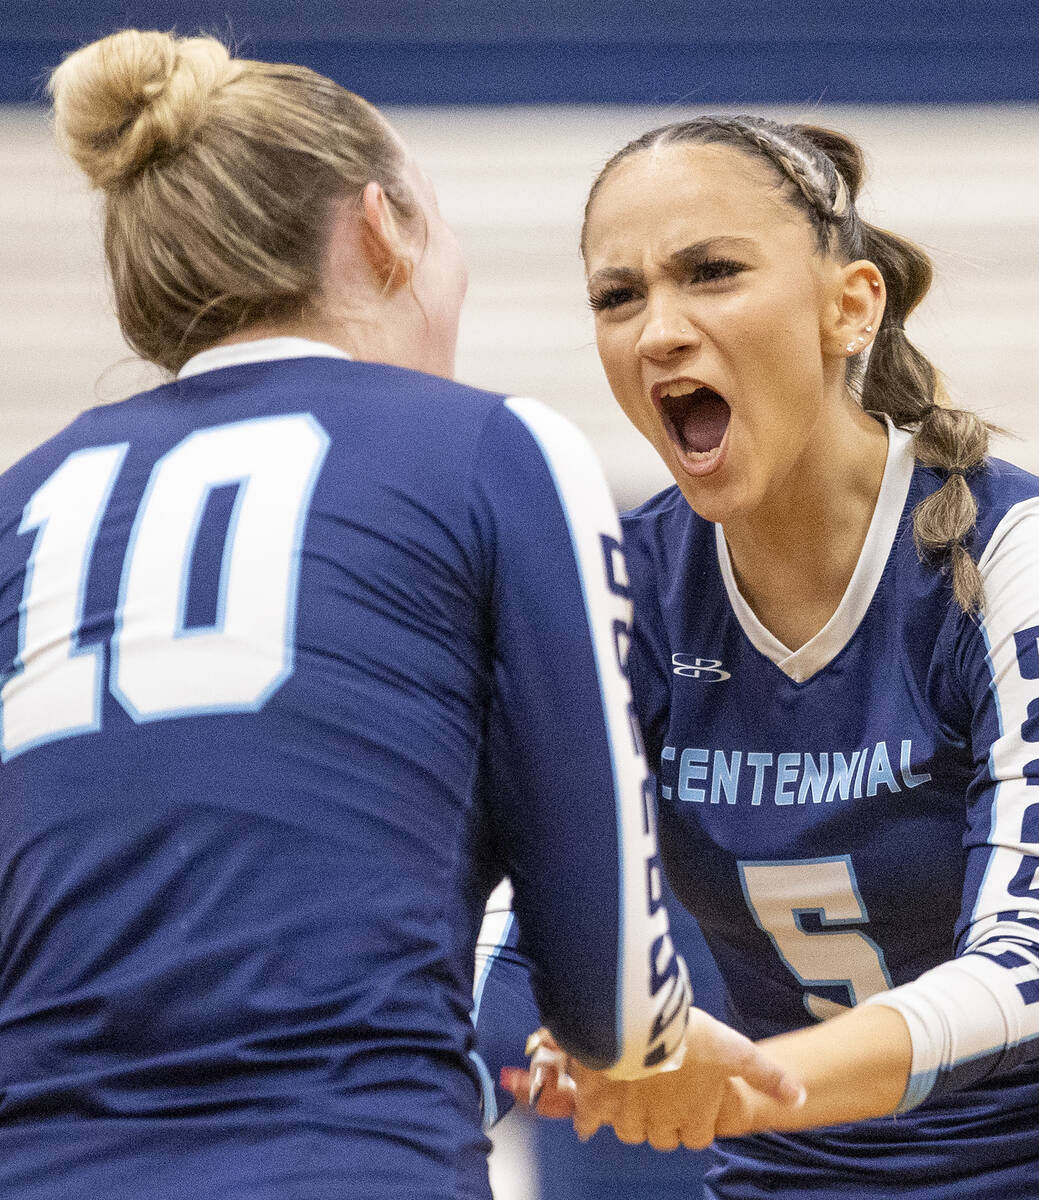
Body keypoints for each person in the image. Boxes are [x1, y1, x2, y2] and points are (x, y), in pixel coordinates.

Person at [0, 38, 801, 1200]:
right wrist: (659, 1049)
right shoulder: (490, 450)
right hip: (349, 1157)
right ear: (384, 228)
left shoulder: (18, 507)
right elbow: (609, 994)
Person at [498, 114, 1039, 1198]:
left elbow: (1028, 961)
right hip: (784, 1180)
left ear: (851, 307)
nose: (658, 331)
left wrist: (742, 1085)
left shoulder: (1005, 552)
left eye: (712, 273)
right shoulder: (623, 589)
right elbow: (499, 933)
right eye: (619, 295)